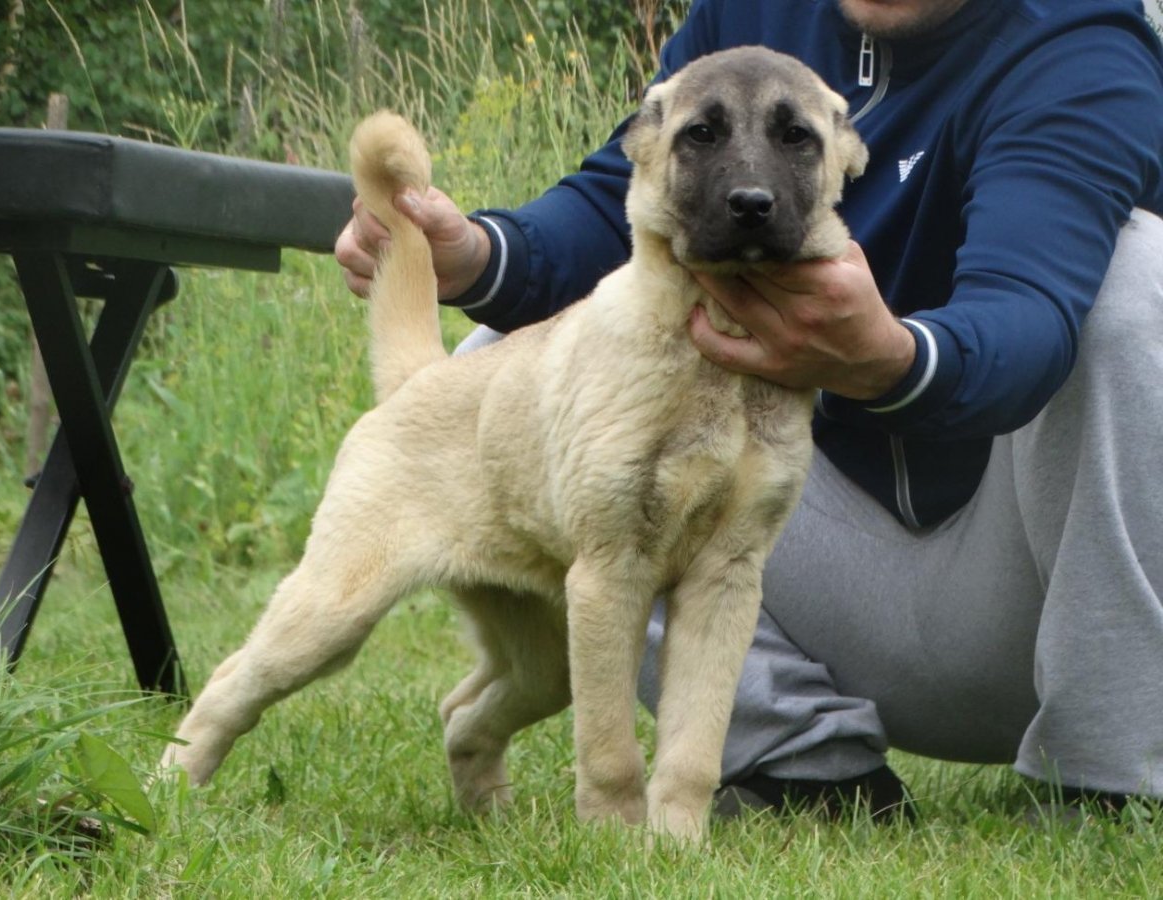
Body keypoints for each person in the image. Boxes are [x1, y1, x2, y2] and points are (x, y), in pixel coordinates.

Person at [336, 0, 1163, 821]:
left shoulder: (1079, 41)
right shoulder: (752, 11)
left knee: (1141, 280)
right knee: (512, 374)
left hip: (1022, 602)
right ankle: (802, 763)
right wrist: (476, 253)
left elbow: (1026, 315)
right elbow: (618, 205)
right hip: (822, 565)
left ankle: (1108, 772)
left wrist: (892, 358)